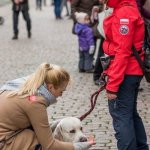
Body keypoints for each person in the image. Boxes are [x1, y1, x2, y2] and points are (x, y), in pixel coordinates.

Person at [0, 63, 95, 150]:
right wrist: (80, 146)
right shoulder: (35, 101)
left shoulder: (28, 85)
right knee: (39, 142)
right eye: (61, 91)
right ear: (50, 87)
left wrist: (60, 122)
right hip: (3, 141)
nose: (61, 95)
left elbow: (39, 125)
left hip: (8, 133)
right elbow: (49, 145)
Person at [99, 0, 149, 149]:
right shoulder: (125, 7)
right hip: (130, 71)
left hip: (126, 72)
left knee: (121, 116)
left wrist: (113, 85)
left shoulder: (124, 13)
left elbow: (123, 52)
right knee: (130, 114)